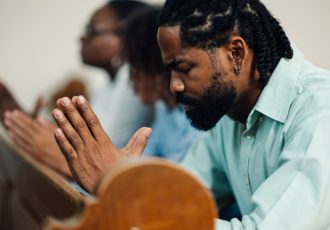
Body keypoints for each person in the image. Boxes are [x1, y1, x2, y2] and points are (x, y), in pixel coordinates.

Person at [51, 0, 330, 229]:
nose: (174, 86)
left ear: (235, 53)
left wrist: (128, 192)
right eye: (169, 70)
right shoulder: (230, 112)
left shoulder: (319, 109)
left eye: (183, 68)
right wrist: (125, 185)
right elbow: (186, 199)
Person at [3, 0, 154, 178]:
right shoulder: (108, 84)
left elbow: (96, 156)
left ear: (123, 38)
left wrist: (45, 138)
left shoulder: (134, 80)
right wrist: (31, 129)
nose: (82, 37)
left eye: (92, 31)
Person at [122, 7, 199, 162]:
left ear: (158, 65)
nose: (131, 78)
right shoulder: (165, 109)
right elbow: (148, 154)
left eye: (136, 65)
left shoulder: (193, 113)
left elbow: (178, 171)